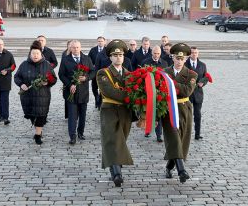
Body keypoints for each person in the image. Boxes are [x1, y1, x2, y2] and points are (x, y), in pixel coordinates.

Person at [96, 39, 133, 187]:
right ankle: (116, 172)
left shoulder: (130, 74)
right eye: (115, 55)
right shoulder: (102, 73)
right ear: (110, 57)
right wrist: (129, 96)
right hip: (109, 111)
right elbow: (109, 91)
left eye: (121, 55)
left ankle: (117, 163)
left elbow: (135, 91)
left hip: (125, 112)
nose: (118, 57)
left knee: (121, 138)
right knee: (112, 139)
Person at [162, 43, 197, 183]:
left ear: (186, 59)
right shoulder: (164, 72)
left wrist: (171, 83)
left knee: (182, 141)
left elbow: (187, 91)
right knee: (174, 138)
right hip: (169, 109)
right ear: (172, 58)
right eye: (177, 58)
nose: (179, 61)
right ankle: (182, 171)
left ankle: (169, 167)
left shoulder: (192, 74)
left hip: (184, 109)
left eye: (182, 59)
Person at [14, 42, 57, 145]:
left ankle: (38, 135)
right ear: (30, 54)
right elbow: (16, 77)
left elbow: (54, 78)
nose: (35, 55)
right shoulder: (24, 64)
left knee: (41, 116)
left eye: (37, 53)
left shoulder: (46, 64)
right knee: (31, 115)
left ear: (41, 54)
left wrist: (47, 82)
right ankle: (38, 130)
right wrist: (21, 84)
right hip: (28, 96)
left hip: (43, 96)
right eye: (33, 53)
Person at [58, 40, 95, 145]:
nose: (75, 49)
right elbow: (61, 74)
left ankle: (80, 132)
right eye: (73, 47)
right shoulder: (65, 59)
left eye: (77, 47)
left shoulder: (86, 59)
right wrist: (70, 84)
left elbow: (93, 72)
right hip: (71, 93)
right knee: (72, 115)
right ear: (70, 48)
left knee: (82, 115)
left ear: (80, 47)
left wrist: (86, 78)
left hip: (83, 92)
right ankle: (72, 136)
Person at [141, 46, 167, 142]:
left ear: (160, 54)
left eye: (158, 54)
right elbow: (142, 76)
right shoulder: (145, 62)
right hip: (148, 91)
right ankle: (147, 130)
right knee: (148, 112)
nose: (156, 55)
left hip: (160, 92)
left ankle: (159, 135)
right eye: (155, 53)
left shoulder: (164, 63)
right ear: (152, 53)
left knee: (158, 113)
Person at [185, 47, 209, 140]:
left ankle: (197, 134)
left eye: (195, 53)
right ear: (189, 54)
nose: (194, 54)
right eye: (192, 52)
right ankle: (186, 134)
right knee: (187, 115)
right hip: (187, 94)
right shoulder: (185, 64)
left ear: (198, 54)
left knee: (197, 114)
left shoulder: (202, 65)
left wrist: (203, 82)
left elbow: (206, 77)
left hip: (198, 94)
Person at [88, 36, 106, 109]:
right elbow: (88, 60)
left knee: (102, 88)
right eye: (99, 41)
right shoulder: (93, 50)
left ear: (104, 42)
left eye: (101, 41)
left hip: (104, 73)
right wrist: (92, 65)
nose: (100, 42)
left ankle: (101, 102)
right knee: (94, 87)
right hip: (95, 72)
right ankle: (96, 99)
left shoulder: (106, 50)